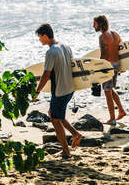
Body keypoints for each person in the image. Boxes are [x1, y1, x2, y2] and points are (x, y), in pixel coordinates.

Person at [33, 23, 83, 159]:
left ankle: (66, 151)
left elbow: (46, 75)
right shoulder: (66, 47)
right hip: (69, 89)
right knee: (55, 114)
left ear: (45, 35)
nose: (39, 40)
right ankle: (76, 134)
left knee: (55, 120)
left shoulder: (51, 52)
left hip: (60, 91)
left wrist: (37, 92)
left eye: (39, 37)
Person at [93, 15, 126, 125]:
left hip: (108, 66)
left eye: (95, 23)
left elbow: (104, 55)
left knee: (107, 92)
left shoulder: (102, 37)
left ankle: (112, 119)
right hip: (116, 64)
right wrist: (123, 66)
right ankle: (121, 111)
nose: (93, 26)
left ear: (101, 24)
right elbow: (122, 50)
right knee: (110, 89)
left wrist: (98, 70)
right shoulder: (115, 34)